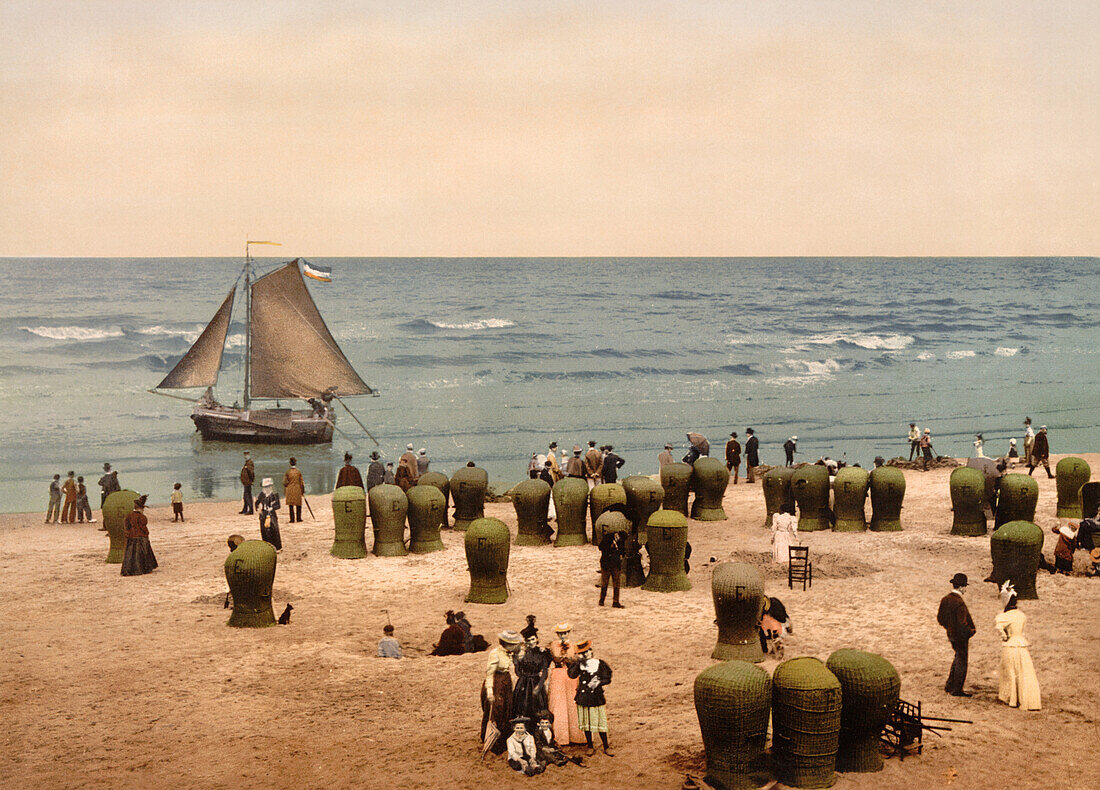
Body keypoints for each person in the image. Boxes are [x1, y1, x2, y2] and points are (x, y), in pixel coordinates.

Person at [994, 581, 1041, 710]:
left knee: (1010, 672)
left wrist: (1005, 636)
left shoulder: (1003, 616)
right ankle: (1026, 698)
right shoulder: (1021, 615)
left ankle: (1012, 698)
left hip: (1010, 645)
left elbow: (999, 628)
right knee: (1024, 671)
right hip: (1021, 644)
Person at [568, 640, 613, 756]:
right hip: (583, 697)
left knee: (600, 721)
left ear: (591, 651)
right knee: (586, 722)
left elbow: (608, 678)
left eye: (588, 651)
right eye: (583, 653)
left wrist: (599, 682)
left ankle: (606, 745)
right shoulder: (580, 665)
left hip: (596, 697)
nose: (586, 654)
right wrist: (577, 662)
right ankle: (590, 745)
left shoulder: (599, 663)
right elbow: (571, 675)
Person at [481, 631, 523, 755]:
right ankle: (492, 739)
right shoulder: (495, 654)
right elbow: (489, 673)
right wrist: (489, 691)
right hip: (496, 682)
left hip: (506, 681)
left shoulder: (509, 654)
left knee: (506, 708)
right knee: (496, 710)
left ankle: (503, 737)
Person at [937, 573, 976, 696]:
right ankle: (957, 689)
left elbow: (940, 618)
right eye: (964, 587)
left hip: (951, 634)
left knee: (957, 657)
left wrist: (948, 628)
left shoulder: (945, 599)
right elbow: (962, 623)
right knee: (962, 660)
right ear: (961, 587)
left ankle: (950, 685)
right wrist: (970, 632)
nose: (965, 589)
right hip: (961, 636)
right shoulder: (959, 603)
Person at [547, 623, 583, 746]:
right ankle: (561, 737)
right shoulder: (553, 645)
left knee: (572, 704)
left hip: (571, 675)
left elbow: (577, 660)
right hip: (558, 674)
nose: (563, 635)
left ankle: (576, 736)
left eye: (565, 633)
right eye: (561, 633)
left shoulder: (574, 646)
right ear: (557, 634)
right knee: (559, 704)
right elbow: (556, 658)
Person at [512, 616, 551, 724]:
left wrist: (539, 686)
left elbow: (545, 671)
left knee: (538, 707)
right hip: (523, 684)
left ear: (537, 639)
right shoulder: (521, 653)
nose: (531, 642)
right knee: (522, 707)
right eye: (528, 640)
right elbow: (518, 672)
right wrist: (517, 661)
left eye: (533, 639)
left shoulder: (542, 653)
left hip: (537, 683)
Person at [121, 495, 158, 576]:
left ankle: (129, 570)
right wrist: (146, 534)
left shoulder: (129, 516)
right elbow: (143, 528)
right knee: (143, 553)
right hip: (141, 537)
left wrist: (128, 534)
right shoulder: (142, 517)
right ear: (141, 508)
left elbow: (126, 526)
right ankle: (143, 569)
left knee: (130, 555)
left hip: (131, 537)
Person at [598, 527, 626, 608]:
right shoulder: (608, 537)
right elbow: (600, 547)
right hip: (606, 563)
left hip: (615, 564)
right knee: (605, 582)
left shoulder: (621, 541)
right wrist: (610, 547)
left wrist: (621, 554)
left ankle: (615, 601)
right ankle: (602, 600)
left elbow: (622, 550)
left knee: (616, 583)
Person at [255, 478, 282, 550]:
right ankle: (266, 547)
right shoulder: (262, 494)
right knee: (264, 531)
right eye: (265, 487)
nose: (267, 488)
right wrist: (258, 508)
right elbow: (257, 503)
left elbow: (278, 505)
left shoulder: (275, 494)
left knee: (274, 530)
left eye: (268, 486)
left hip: (271, 515)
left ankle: (276, 547)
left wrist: (272, 508)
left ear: (271, 486)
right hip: (263, 515)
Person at [283, 458, 304, 522]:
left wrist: (287, 485)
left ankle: (292, 519)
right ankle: (298, 518)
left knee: (291, 505)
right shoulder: (298, 472)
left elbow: (284, 482)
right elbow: (302, 482)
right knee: (298, 505)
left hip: (290, 489)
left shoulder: (288, 472)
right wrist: (302, 491)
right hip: (297, 489)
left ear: (290, 463)